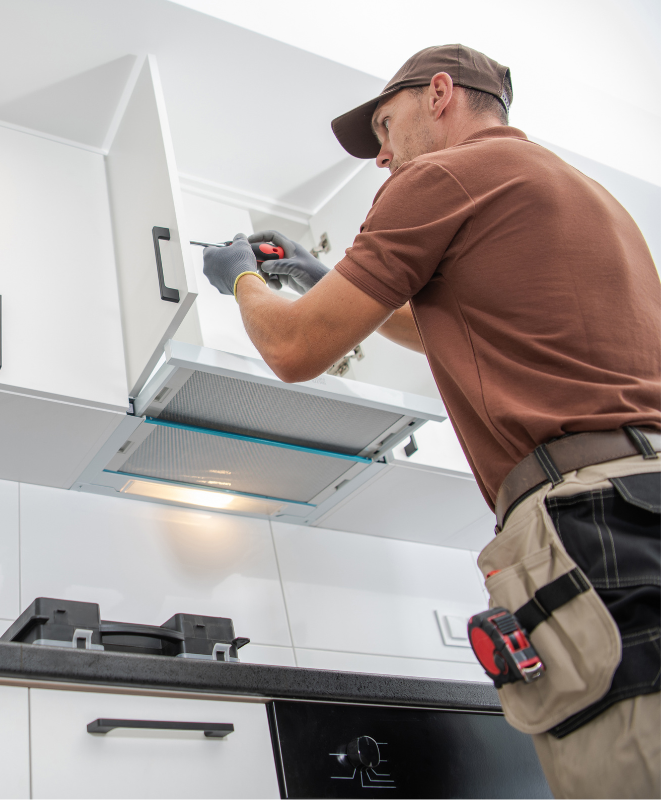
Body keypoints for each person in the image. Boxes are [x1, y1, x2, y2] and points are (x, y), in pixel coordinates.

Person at [202, 44, 660, 798]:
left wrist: (242, 278)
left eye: (386, 126)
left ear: (439, 94)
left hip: (590, 523)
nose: (383, 157)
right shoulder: (591, 197)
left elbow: (293, 347)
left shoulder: (440, 177)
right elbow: (462, 321)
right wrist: (333, 283)